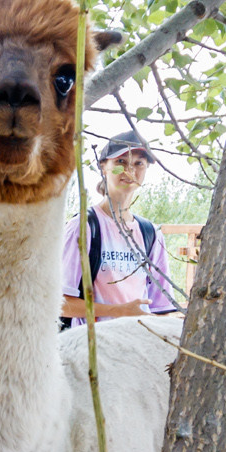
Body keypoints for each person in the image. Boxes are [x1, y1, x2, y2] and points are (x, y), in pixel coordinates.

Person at [60, 131, 177, 327]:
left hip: (137, 345)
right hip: (91, 347)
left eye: (139, 163)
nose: (130, 170)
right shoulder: (83, 227)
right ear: (104, 167)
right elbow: (60, 303)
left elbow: (161, 308)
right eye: (121, 161)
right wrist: (119, 312)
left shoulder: (151, 234)